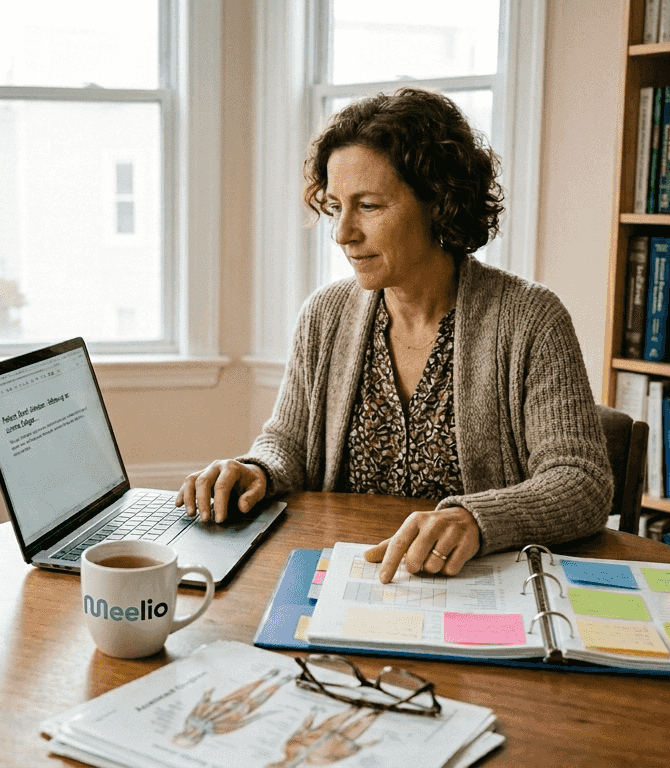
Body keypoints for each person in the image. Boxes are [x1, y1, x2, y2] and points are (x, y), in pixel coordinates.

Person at [176, 87, 611, 584]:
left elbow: (582, 482)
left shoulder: (530, 318)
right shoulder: (325, 314)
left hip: (477, 584)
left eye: (368, 206)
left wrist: (476, 519)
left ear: (439, 203)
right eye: (335, 207)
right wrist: (257, 469)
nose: (343, 233)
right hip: (347, 578)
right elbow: (288, 442)